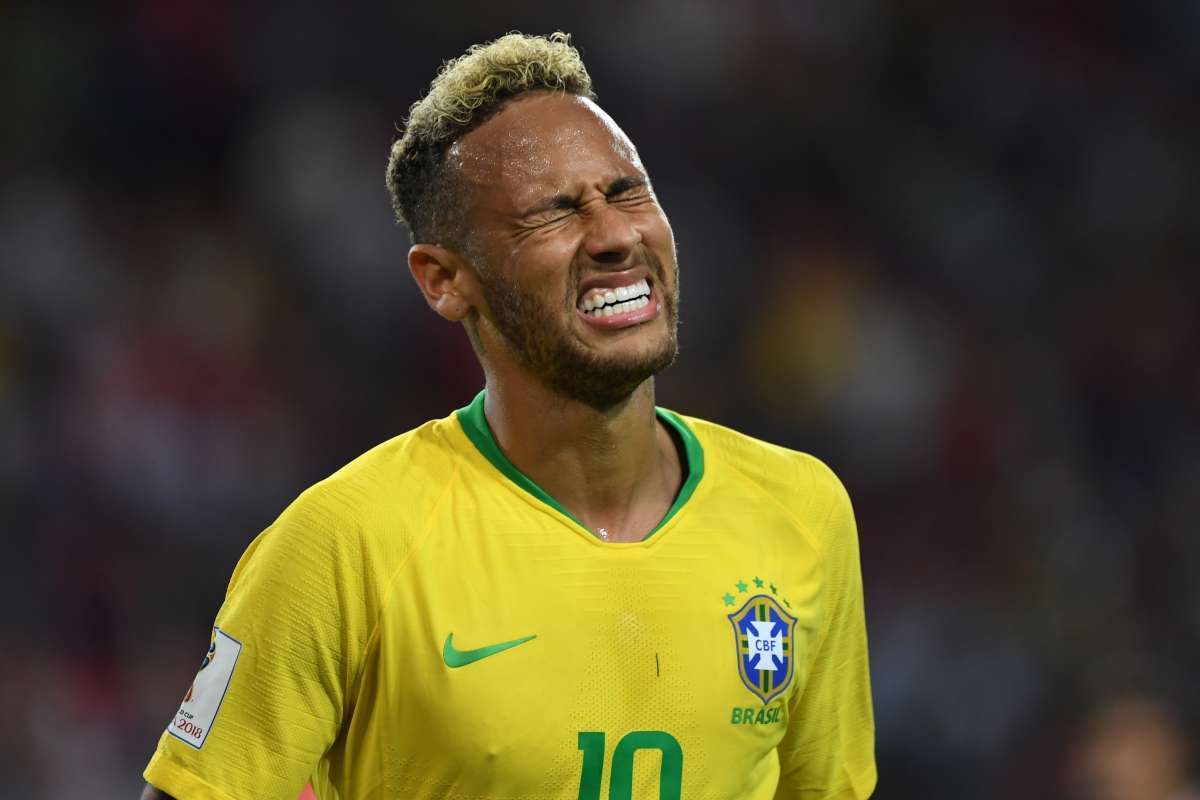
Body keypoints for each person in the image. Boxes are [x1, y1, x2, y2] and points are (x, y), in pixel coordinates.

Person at [140, 31, 876, 800]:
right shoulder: (346, 544)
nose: (616, 235)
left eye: (628, 192)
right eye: (553, 214)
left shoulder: (802, 513)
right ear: (445, 280)